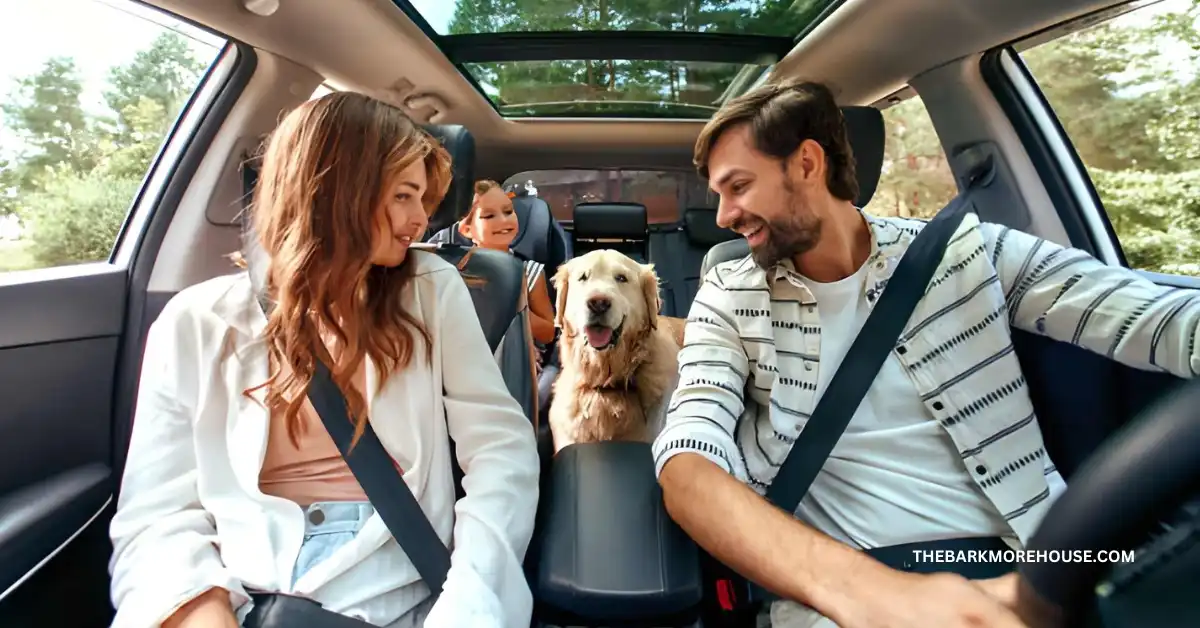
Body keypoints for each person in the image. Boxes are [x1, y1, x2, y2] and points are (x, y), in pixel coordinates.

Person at [650, 78, 1200, 628]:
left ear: (807, 165)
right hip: (846, 592)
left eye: (738, 186)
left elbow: (1157, 318)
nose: (722, 215)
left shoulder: (967, 251)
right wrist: (870, 594)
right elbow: (688, 460)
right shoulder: (728, 293)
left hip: (1042, 567)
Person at [108, 92, 540, 628]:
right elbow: (156, 512)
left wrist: (470, 602)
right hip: (246, 587)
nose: (420, 222)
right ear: (340, 188)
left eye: (424, 202)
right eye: (405, 196)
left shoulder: (432, 290)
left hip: (397, 585)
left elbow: (501, 451)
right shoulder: (194, 321)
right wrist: (197, 606)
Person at [461, 179, 557, 348]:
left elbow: (548, 333)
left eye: (508, 211)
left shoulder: (529, 271)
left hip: (515, 359)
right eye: (489, 215)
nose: (504, 221)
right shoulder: (455, 270)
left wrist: (512, 307)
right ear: (467, 229)